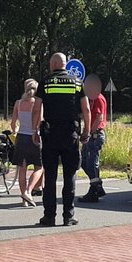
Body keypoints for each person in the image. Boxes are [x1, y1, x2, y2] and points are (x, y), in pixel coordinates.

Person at [31, 53, 90, 226]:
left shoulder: (45, 82)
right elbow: (86, 108)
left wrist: (35, 129)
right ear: (65, 64)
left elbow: (36, 109)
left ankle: (49, 216)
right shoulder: (78, 83)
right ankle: (68, 215)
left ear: (53, 64)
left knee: (50, 175)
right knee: (69, 175)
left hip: (50, 133)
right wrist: (86, 131)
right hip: (70, 133)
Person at [10, 79, 45, 207]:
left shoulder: (18, 103)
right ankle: (29, 191)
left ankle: (24, 199)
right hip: (34, 137)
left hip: (21, 137)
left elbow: (13, 123)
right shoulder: (37, 103)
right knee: (39, 167)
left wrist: (14, 131)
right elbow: (39, 121)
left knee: (22, 169)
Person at [79, 74, 108, 203]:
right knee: (83, 161)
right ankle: (97, 185)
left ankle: (95, 189)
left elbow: (99, 118)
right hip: (92, 134)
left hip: (95, 135)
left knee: (91, 162)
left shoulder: (98, 99)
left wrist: (89, 132)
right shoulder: (91, 99)